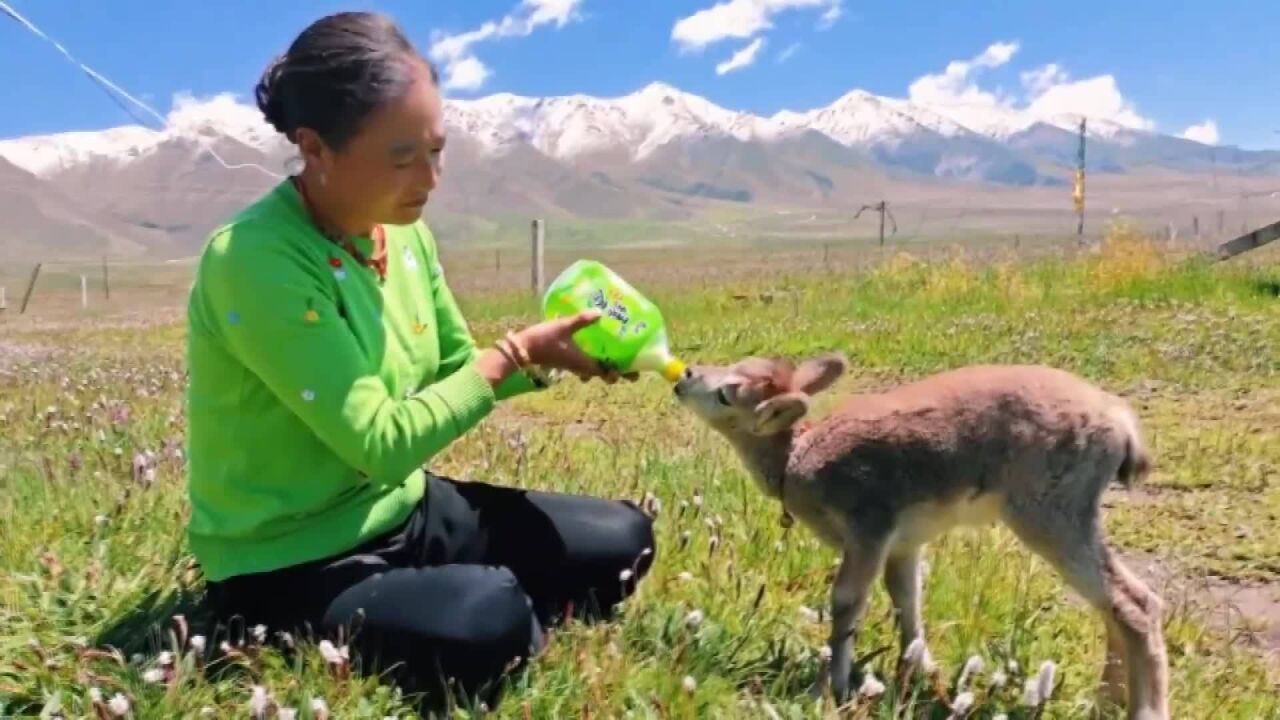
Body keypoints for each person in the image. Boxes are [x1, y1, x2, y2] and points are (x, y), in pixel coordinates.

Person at [182, 10, 656, 709]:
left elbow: (452, 369)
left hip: (405, 511)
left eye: (437, 151)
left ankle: (462, 601)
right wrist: (509, 358)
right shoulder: (254, 260)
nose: (430, 178)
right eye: (403, 158)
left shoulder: (402, 233)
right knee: (488, 620)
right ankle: (347, 619)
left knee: (622, 539)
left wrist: (550, 356)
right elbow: (379, 444)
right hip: (290, 557)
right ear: (316, 148)